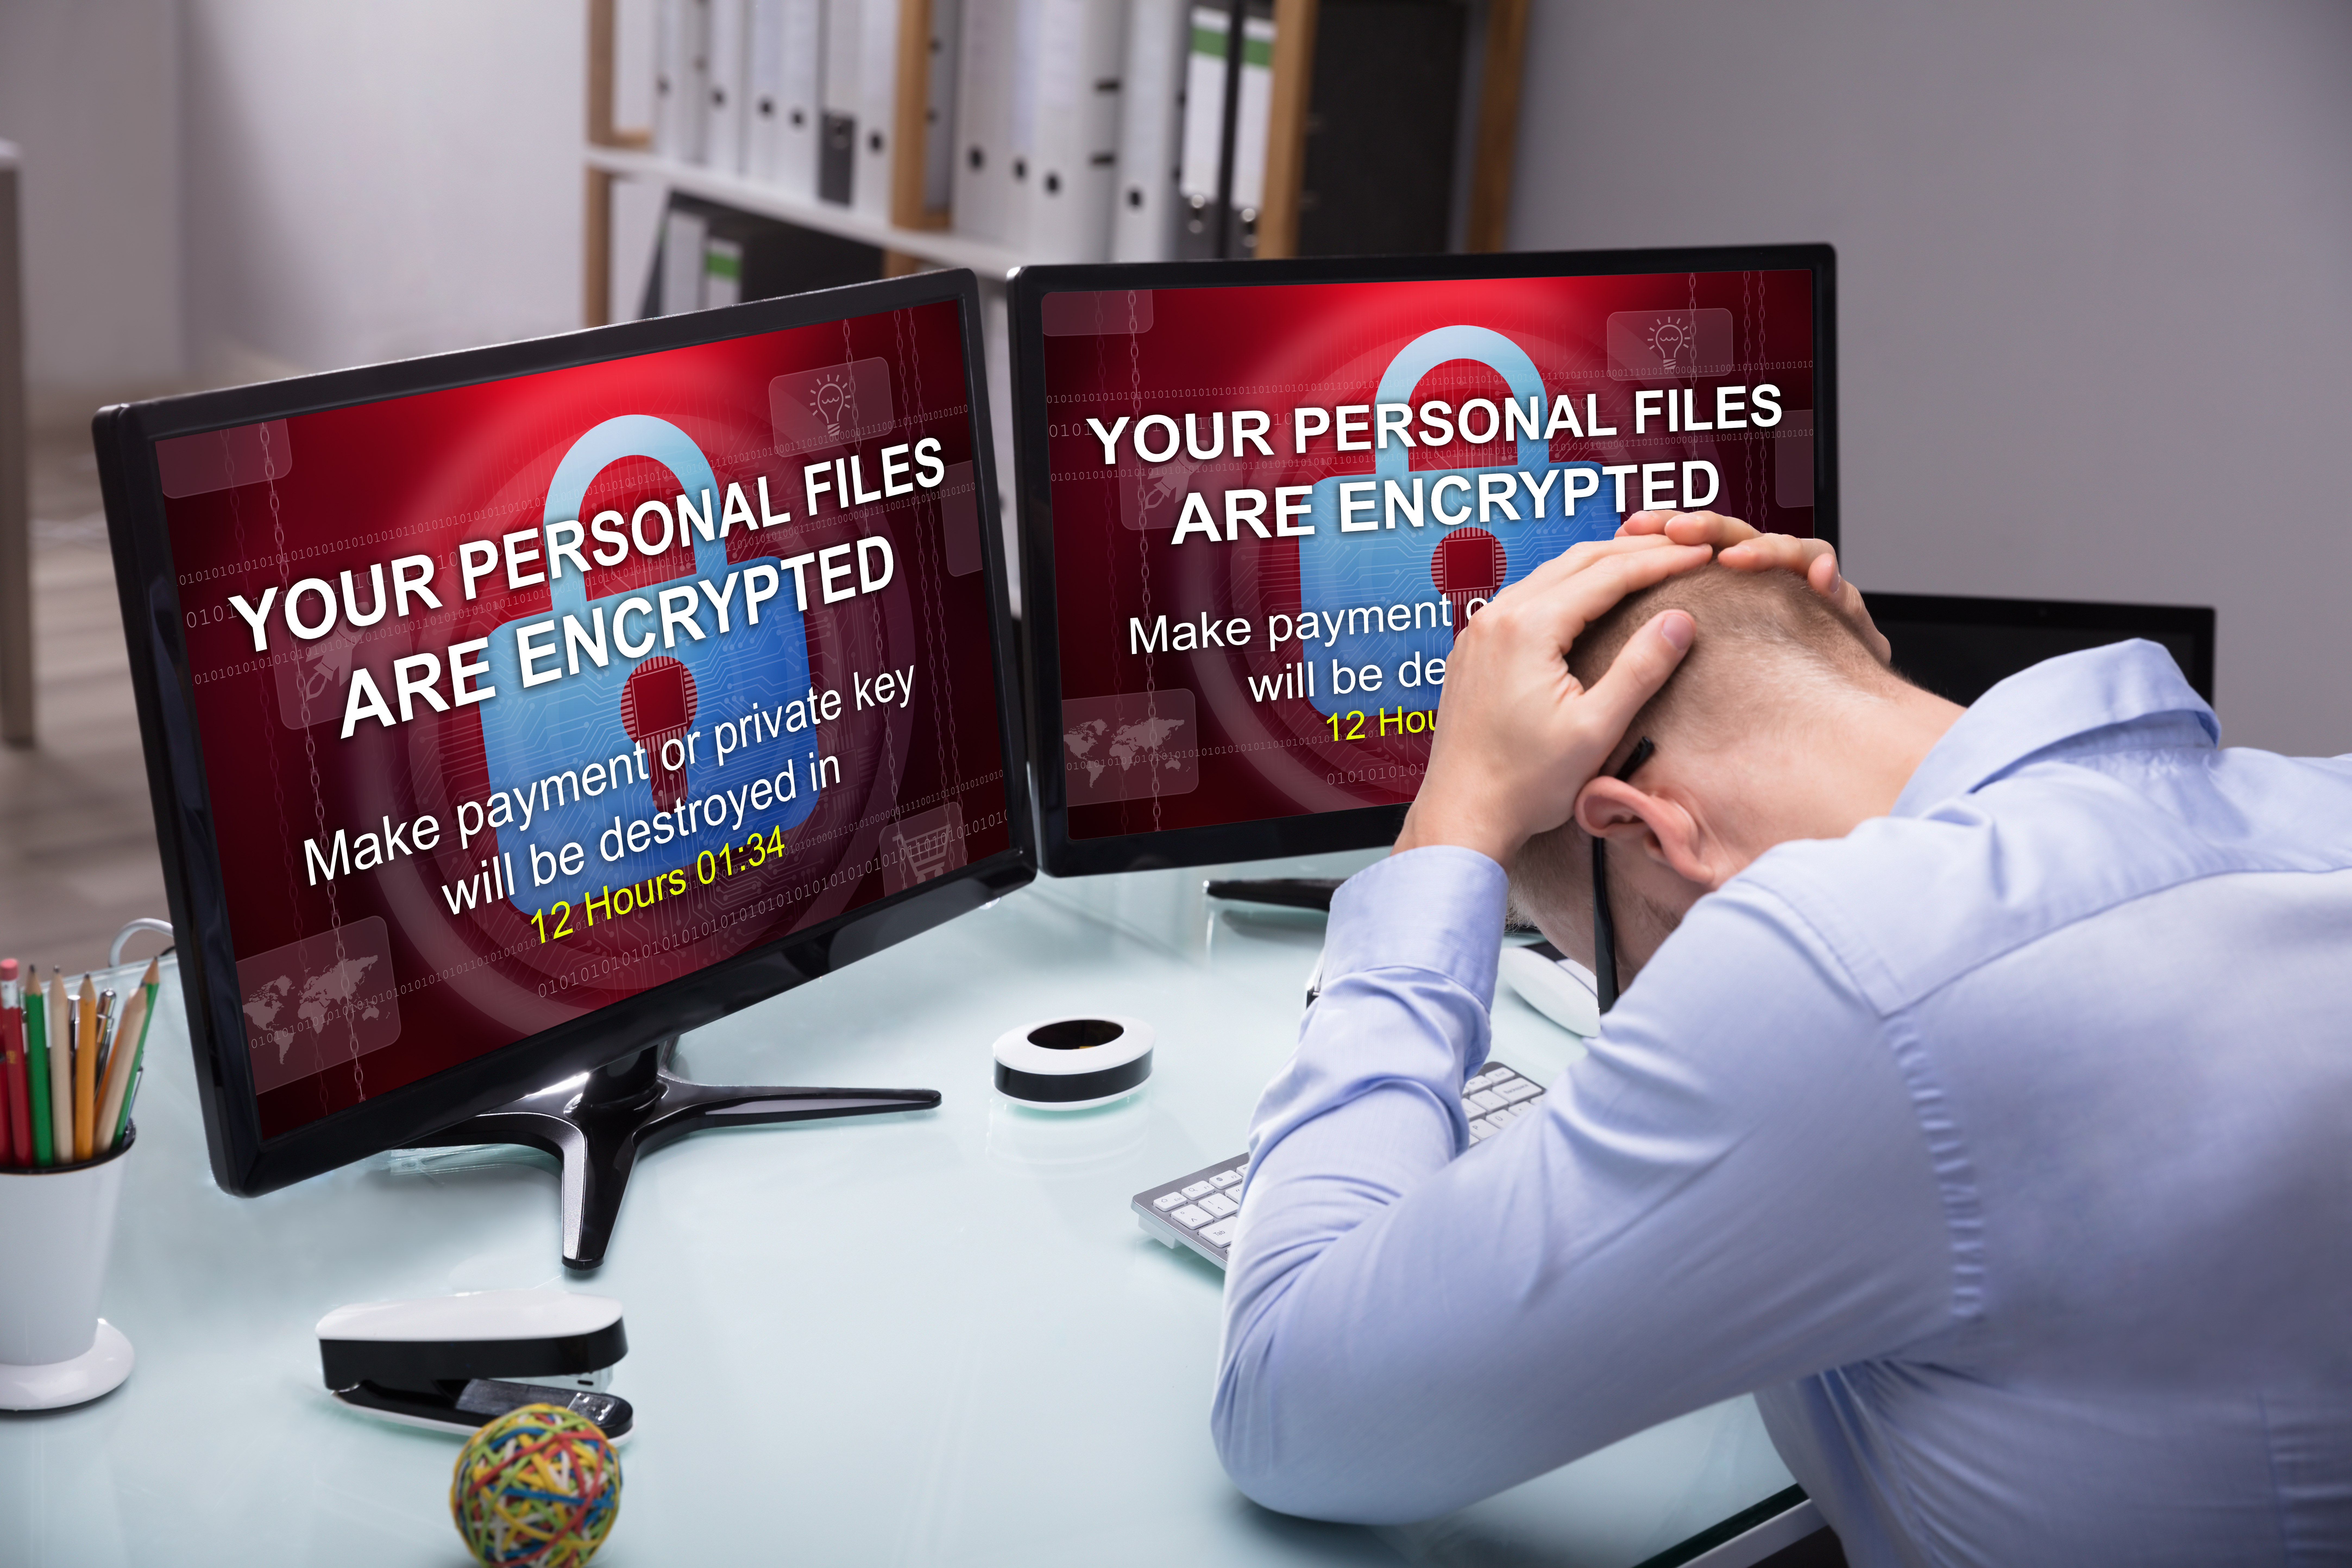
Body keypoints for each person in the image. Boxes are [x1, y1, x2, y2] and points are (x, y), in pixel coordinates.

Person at [1212, 512, 2352, 1566]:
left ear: (1639, 825)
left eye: (1609, 968)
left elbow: (1286, 1404)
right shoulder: (2316, 807)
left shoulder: (1848, 971)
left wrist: (1449, 824)